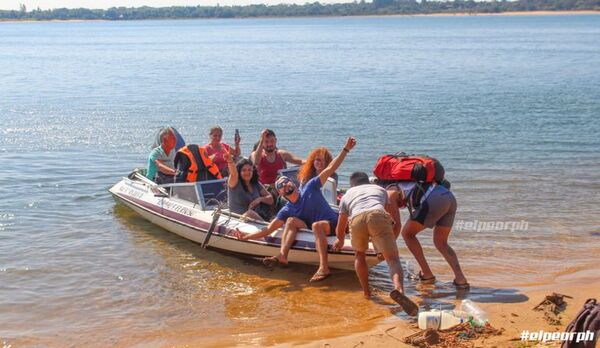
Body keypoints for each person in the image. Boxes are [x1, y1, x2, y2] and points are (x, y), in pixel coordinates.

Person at [236, 137, 357, 282]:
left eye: (286, 182)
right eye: (281, 186)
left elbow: (331, 168)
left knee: (316, 225)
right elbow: (268, 230)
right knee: (291, 221)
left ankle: (324, 267)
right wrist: (246, 237)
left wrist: (346, 149)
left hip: (334, 223)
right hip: (315, 226)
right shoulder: (287, 210)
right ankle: (282, 255)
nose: (285, 185)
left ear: (292, 183)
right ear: (280, 193)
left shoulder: (310, 186)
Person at [332, 172, 418, 316]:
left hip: (357, 218)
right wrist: (381, 248)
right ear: (368, 181)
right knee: (392, 259)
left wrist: (339, 240)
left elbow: (341, 226)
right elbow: (385, 214)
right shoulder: (379, 190)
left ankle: (367, 293)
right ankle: (399, 290)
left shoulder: (347, 195)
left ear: (352, 184)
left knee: (359, 255)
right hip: (377, 214)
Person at [388, 181, 469, 289]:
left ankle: (427, 274)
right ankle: (460, 279)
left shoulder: (389, 191)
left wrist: (387, 247)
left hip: (433, 198)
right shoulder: (409, 183)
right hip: (448, 197)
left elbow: (396, 225)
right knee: (441, 242)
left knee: (407, 234)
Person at [224, 150, 273, 221]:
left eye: (249, 170)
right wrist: (230, 161)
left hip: (257, 218)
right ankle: (269, 229)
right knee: (250, 213)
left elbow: (270, 199)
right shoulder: (235, 183)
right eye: (244, 170)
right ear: (239, 172)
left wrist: (259, 199)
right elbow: (234, 173)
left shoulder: (255, 183)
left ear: (253, 171)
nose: (247, 172)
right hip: (239, 220)